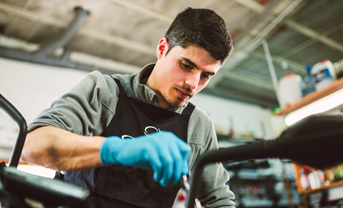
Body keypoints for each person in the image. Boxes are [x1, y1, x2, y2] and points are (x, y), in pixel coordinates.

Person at [21, 7, 235, 208]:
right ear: (162, 49)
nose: (193, 84)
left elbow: (218, 200)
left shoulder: (199, 126)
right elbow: (31, 146)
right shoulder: (104, 92)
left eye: (205, 76)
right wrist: (116, 150)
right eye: (186, 66)